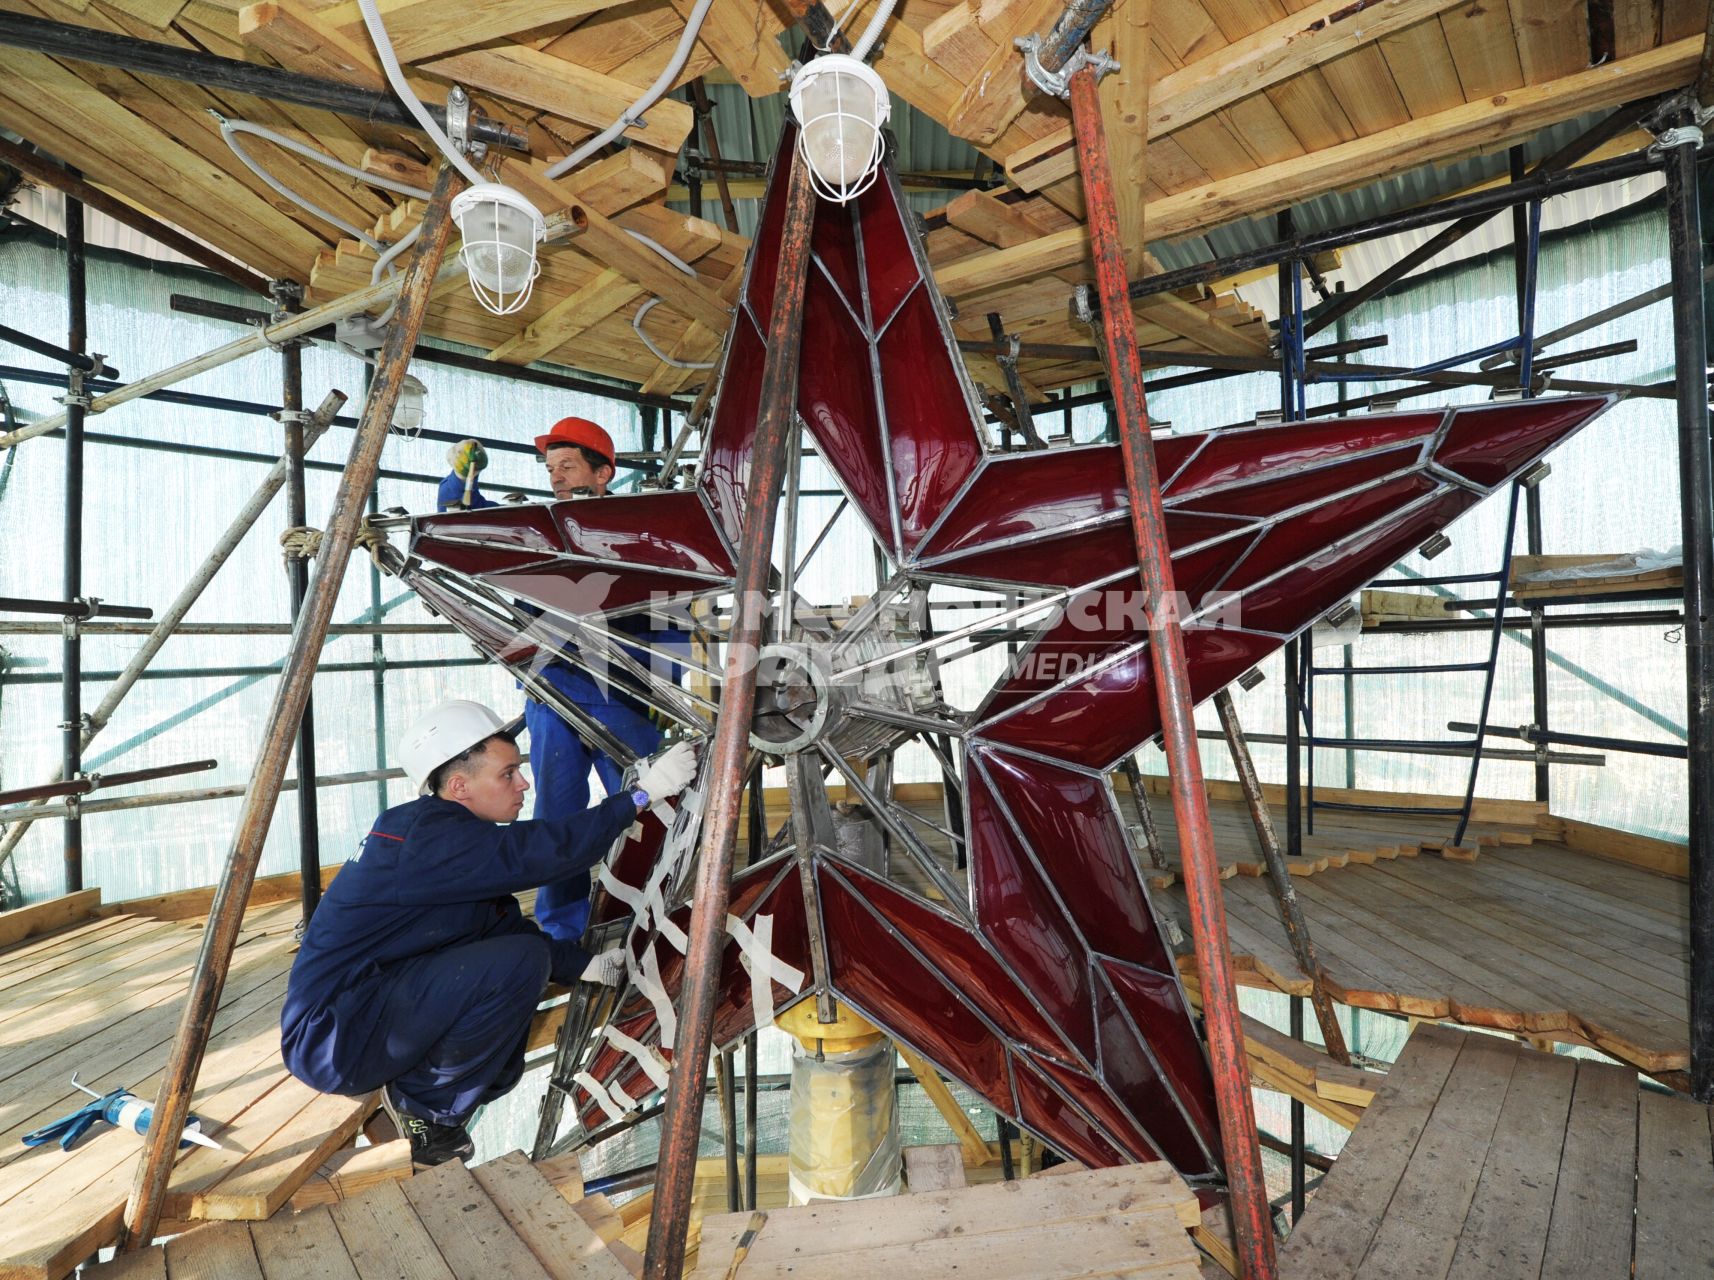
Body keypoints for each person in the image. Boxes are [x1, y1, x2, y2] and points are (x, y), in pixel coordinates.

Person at [279, 699, 696, 1168]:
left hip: (360, 1017)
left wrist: (588, 966)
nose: (524, 782)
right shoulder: (427, 836)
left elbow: (499, 926)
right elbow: (542, 853)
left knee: (515, 971)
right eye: (508, 773)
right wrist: (641, 796)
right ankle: (425, 1111)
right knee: (519, 965)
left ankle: (427, 1096)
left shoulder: (452, 845)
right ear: (459, 786)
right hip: (333, 1039)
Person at [439, 417, 675, 944]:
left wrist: (668, 689)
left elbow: (670, 606)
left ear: (603, 472)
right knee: (557, 817)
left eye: (568, 466)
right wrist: (460, 477)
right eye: (551, 469)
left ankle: (655, 918)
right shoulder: (535, 528)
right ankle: (563, 932)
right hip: (553, 694)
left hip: (626, 696)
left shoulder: (634, 531)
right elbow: (466, 516)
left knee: (649, 809)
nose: (557, 477)